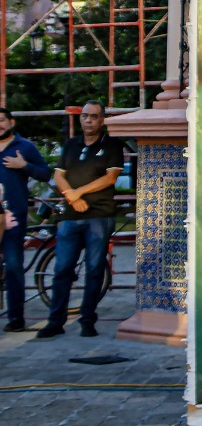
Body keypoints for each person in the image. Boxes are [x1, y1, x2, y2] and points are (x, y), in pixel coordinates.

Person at [38, 102, 123, 339]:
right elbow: (58, 175)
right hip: (71, 216)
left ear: (102, 120)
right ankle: (55, 321)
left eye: (94, 117)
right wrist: (72, 197)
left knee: (94, 270)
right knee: (62, 269)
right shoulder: (70, 145)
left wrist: (79, 192)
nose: (88, 120)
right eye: (85, 116)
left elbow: (110, 178)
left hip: (99, 216)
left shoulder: (112, 145)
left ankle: (87, 320)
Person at [2, 108, 53, 331]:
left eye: (2, 121)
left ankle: (16, 317)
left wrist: (24, 166)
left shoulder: (24, 147)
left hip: (13, 217)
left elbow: (45, 173)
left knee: (13, 266)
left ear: (11, 122)